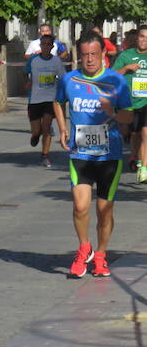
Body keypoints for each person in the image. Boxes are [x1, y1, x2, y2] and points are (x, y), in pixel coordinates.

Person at [54, 31, 133, 278]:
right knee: (80, 206)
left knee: (104, 210)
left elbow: (129, 117)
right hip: (80, 153)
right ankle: (84, 248)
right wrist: (63, 128)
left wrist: (112, 112)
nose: (89, 60)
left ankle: (100, 255)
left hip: (109, 154)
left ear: (103, 55)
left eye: (94, 54)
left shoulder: (116, 81)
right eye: (85, 55)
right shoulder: (69, 80)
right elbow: (58, 102)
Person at [23, 34, 66, 167]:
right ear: (40, 46)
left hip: (50, 99)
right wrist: (27, 82)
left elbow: (63, 77)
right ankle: (35, 135)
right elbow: (24, 72)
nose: (46, 47)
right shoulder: (34, 60)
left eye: (48, 44)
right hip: (35, 99)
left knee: (46, 127)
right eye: (44, 44)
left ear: (52, 46)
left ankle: (45, 155)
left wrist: (62, 92)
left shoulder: (56, 62)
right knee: (37, 130)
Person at [113, 25, 147, 182]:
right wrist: (126, 68)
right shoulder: (126, 55)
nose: (144, 40)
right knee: (134, 134)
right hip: (129, 102)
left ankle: (144, 169)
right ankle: (135, 157)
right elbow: (112, 75)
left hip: (146, 101)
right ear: (136, 38)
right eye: (141, 36)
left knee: (145, 133)